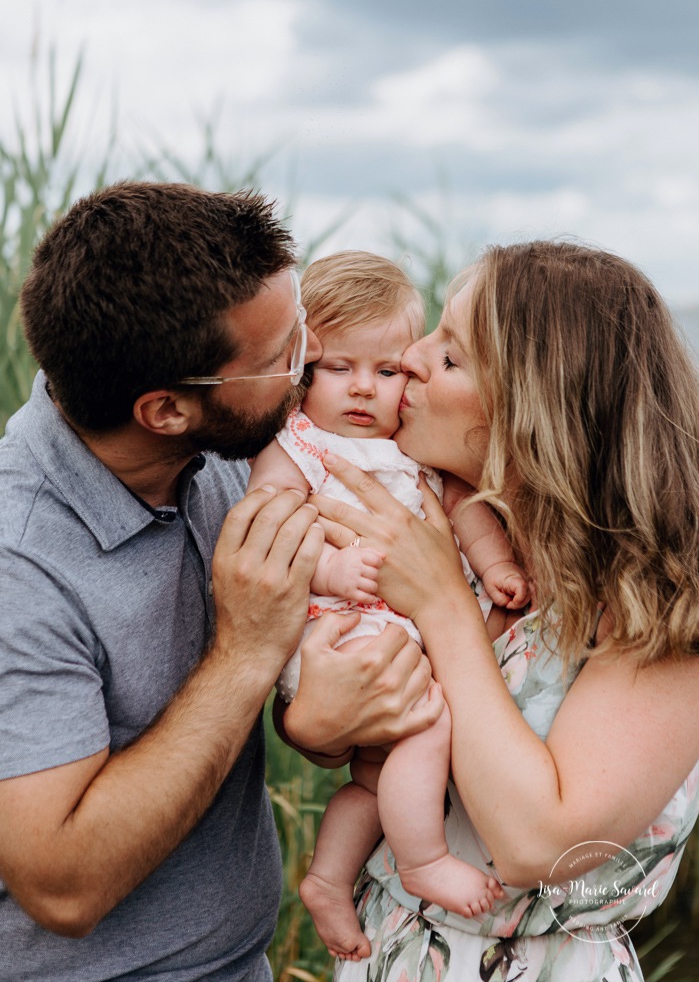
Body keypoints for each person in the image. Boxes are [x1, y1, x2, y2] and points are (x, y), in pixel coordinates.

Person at [0, 182, 441, 982]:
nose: (307, 363)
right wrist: (244, 651)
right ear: (166, 410)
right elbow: (61, 888)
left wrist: (316, 723)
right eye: (281, 359)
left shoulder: (227, 461)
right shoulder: (17, 568)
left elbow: (304, 690)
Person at [281, 241, 699, 981]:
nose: (407, 357)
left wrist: (441, 603)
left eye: (449, 356)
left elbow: (539, 842)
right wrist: (313, 725)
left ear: (535, 408)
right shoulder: (468, 537)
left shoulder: (661, 603)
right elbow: (363, 732)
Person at [249, 252, 528, 959]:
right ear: (303, 369)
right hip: (337, 629)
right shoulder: (298, 445)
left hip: (390, 632)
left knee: (375, 781)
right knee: (428, 726)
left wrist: (494, 565)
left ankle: (327, 877)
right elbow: (264, 521)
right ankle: (422, 860)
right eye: (339, 367)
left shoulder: (408, 443)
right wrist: (331, 564)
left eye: (388, 369)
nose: (363, 389)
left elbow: (461, 509)